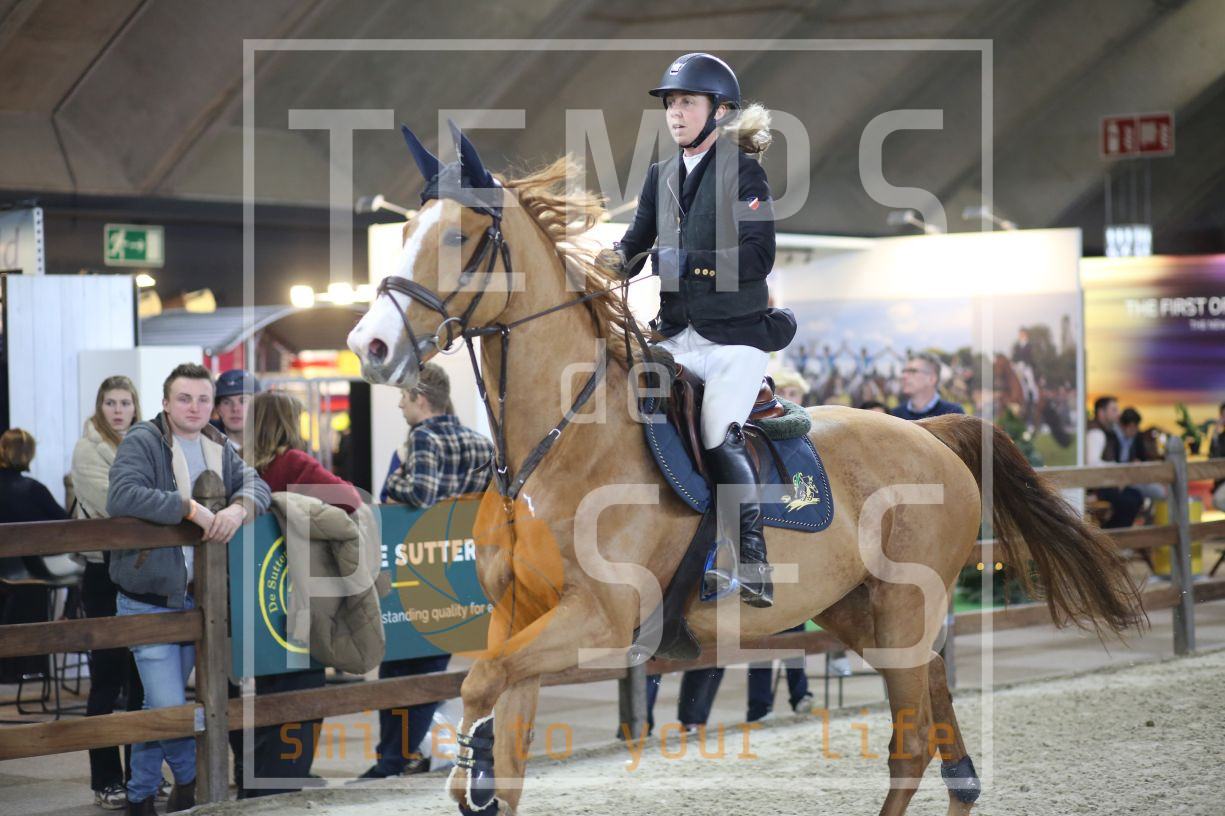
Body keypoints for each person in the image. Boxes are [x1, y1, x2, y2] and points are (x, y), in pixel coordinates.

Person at [606, 52, 796, 608]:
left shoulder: (744, 173)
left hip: (735, 339)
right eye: (671, 103)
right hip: (675, 338)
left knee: (717, 430)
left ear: (720, 110)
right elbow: (634, 246)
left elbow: (758, 257)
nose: (675, 112)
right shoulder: (659, 176)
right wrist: (607, 264)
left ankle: (751, 559)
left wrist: (688, 263)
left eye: (687, 102)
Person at [107, 363, 271, 815]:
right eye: (184, 398)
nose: (195, 407)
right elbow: (121, 496)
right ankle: (193, 781)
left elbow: (257, 484)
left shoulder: (217, 443)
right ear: (165, 403)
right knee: (167, 705)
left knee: (158, 705)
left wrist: (238, 509)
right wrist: (189, 508)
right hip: (148, 600)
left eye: (203, 399)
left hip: (199, 601)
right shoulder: (144, 440)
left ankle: (140, 795)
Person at [225, 390, 363, 797]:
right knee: (303, 691)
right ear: (288, 423)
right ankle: (280, 786)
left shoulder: (242, 467)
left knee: (266, 692)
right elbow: (350, 499)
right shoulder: (294, 462)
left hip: (253, 595)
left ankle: (256, 783)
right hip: (296, 595)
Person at [361, 363, 495, 779]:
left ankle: (391, 761)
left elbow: (422, 493)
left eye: (403, 397)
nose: (400, 405)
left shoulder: (422, 438)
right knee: (431, 667)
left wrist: (394, 483)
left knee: (397, 669)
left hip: (416, 570)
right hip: (461, 572)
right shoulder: (479, 443)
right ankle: (399, 757)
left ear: (420, 398)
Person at [71, 377, 149, 810]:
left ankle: (140, 776)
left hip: (141, 570)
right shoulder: (88, 449)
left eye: (125, 402)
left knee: (142, 679)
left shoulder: (147, 444)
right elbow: (112, 502)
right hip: (104, 570)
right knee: (106, 679)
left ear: (135, 407)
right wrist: (159, 504)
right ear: (99, 407)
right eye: (110, 403)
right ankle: (105, 779)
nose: (118, 411)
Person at [0, 429, 70, 690]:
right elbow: (66, 524)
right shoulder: (33, 490)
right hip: (28, 573)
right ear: (28, 454)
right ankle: (70, 617)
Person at [1085, 395, 1142, 529]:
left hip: (1103, 484)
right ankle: (1114, 537)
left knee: (1134, 496)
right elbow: (1092, 464)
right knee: (1130, 500)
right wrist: (1117, 471)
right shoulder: (1096, 433)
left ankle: (1113, 536)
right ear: (1101, 412)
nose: (1119, 413)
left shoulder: (1106, 432)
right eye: (1114, 410)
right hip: (1096, 489)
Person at [891, 352, 965, 420]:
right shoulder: (895, 415)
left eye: (913, 371)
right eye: (904, 371)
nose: (904, 376)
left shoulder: (954, 414)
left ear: (932, 379)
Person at [211, 368, 260, 450]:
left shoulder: (275, 447)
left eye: (242, 401)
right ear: (217, 408)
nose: (235, 409)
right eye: (227, 402)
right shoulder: (203, 447)